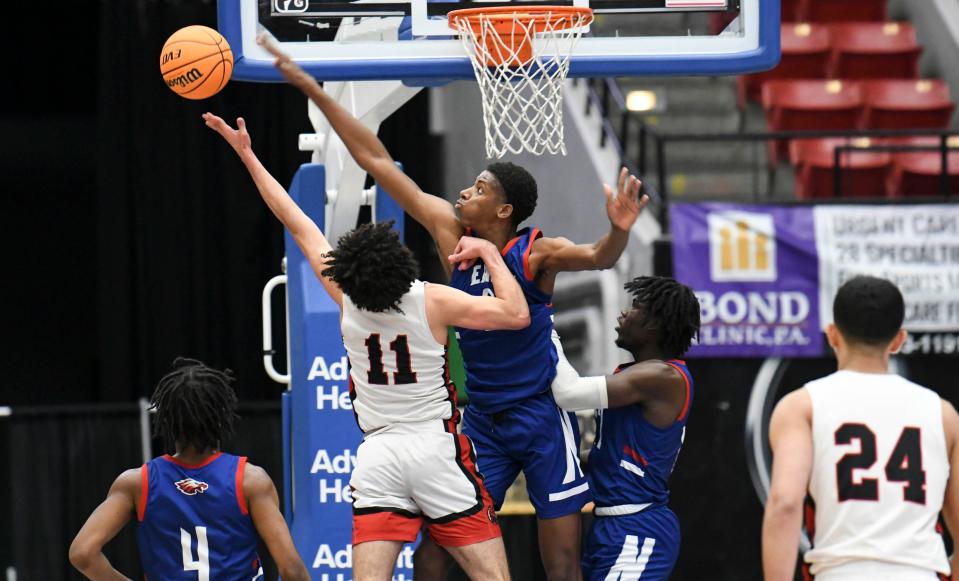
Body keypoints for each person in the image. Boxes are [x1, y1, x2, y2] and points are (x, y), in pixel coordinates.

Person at [258, 35, 648, 580]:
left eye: (480, 188)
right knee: (436, 552)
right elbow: (373, 157)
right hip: (481, 420)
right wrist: (315, 93)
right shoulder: (448, 231)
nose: (465, 191)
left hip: (538, 413)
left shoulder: (535, 252)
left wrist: (618, 230)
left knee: (560, 560)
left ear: (504, 208)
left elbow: (599, 257)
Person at [203, 112, 531, 580]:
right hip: (435, 449)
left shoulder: (347, 299)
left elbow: (297, 222)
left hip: (379, 455)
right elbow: (517, 314)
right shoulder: (432, 300)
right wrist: (491, 254)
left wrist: (248, 155)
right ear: (400, 260)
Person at [762, 275, 959, 581]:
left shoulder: (802, 406)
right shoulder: (943, 414)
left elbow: (785, 503)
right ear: (899, 340)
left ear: (832, 334)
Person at [69, 357, 311, 581]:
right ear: (220, 416)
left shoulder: (137, 482)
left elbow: (83, 553)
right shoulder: (249, 480)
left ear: (166, 420)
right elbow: (291, 570)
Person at [548, 276, 701, 580]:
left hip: (637, 527)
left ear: (654, 325)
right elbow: (611, 457)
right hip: (612, 526)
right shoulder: (638, 376)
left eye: (635, 307)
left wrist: (544, 330)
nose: (623, 313)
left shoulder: (663, 377)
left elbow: (569, 393)